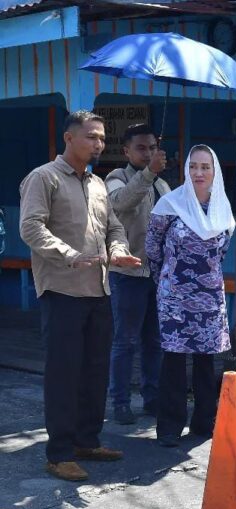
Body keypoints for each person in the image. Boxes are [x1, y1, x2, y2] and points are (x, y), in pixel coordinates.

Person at [19, 110, 141, 481]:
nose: (98, 144)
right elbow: (30, 227)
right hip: (61, 290)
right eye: (91, 137)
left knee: (94, 370)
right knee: (63, 374)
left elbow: (113, 226)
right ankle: (58, 453)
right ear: (69, 138)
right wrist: (69, 255)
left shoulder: (99, 184)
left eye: (102, 138)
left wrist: (118, 249)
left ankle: (87, 440)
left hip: (98, 289)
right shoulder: (44, 178)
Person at [145, 145, 235, 447]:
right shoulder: (169, 205)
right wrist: (168, 281)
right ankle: (170, 426)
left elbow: (221, 252)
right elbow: (152, 249)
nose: (199, 173)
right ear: (186, 170)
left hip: (210, 297)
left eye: (205, 167)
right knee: (172, 360)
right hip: (174, 296)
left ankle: (204, 423)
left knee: (206, 363)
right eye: (193, 166)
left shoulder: (222, 207)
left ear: (214, 171)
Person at [105, 123, 171, 424]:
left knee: (154, 341)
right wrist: (148, 173)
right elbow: (119, 204)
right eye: (142, 148)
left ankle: (152, 398)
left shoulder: (161, 184)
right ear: (126, 151)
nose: (148, 153)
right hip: (127, 273)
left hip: (157, 274)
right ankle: (119, 401)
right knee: (125, 341)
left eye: (152, 147)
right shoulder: (115, 178)